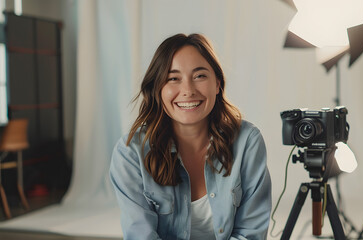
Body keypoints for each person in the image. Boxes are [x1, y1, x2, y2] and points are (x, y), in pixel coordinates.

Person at [110, 33, 272, 240]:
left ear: (218, 84)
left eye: (200, 76)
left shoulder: (247, 142)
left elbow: (251, 233)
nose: (187, 90)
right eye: (173, 78)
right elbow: (141, 235)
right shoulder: (130, 153)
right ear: (157, 89)